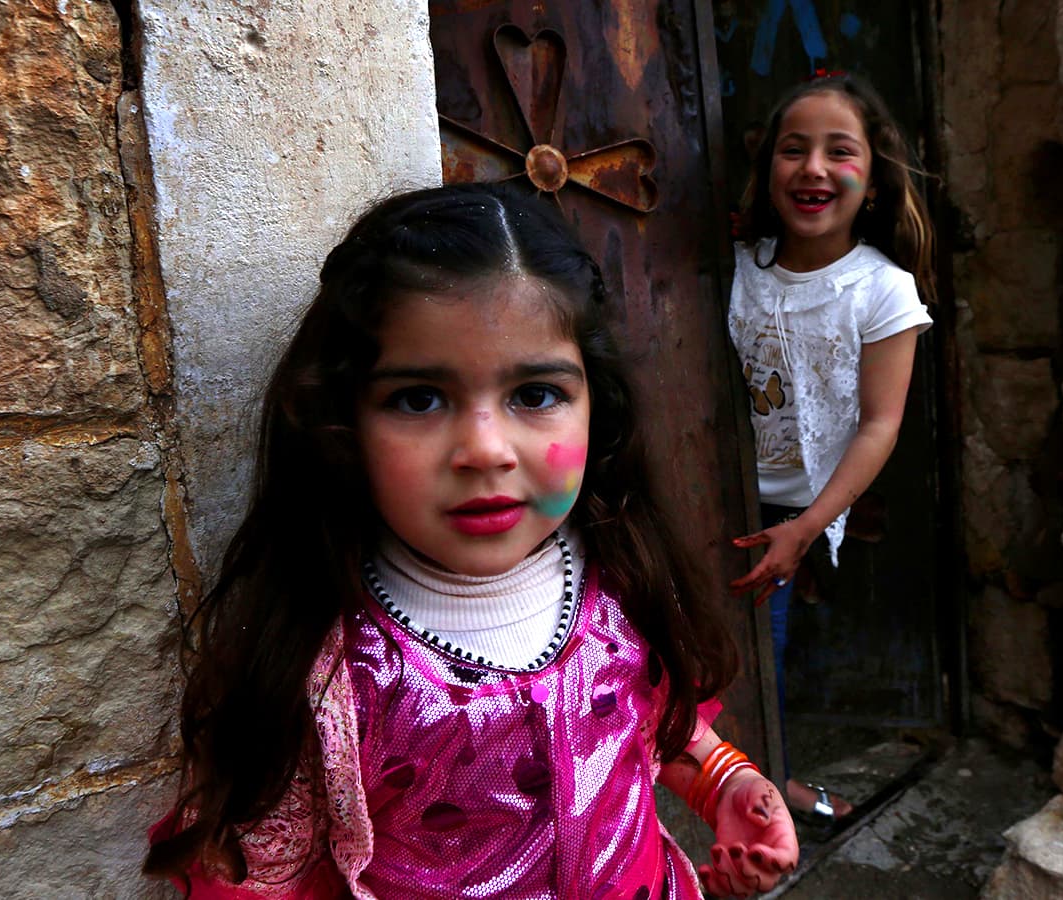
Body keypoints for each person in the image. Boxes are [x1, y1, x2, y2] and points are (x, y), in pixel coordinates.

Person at [143, 183, 797, 898]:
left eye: (536, 394)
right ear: (342, 426)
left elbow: (662, 729)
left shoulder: (625, 577)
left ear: (596, 409)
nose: (485, 450)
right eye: (419, 399)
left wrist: (727, 787)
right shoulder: (328, 676)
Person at [727, 73, 936, 826]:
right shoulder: (733, 267)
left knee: (762, 657)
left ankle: (768, 787)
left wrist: (808, 527)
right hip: (712, 490)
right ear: (768, 169)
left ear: (872, 179)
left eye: (838, 152)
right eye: (793, 149)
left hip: (790, 513)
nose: (813, 168)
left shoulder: (882, 291)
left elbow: (880, 424)